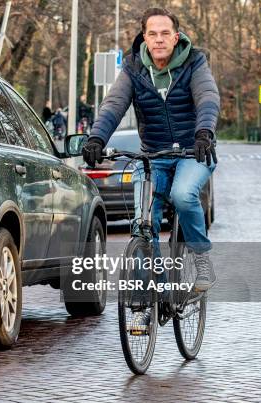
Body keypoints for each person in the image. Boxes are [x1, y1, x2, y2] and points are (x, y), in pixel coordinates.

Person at [82, 8, 220, 301]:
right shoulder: (133, 67)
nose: (159, 40)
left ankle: (201, 259)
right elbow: (114, 104)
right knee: (144, 218)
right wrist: (96, 137)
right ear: (144, 37)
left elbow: (207, 96)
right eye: (153, 34)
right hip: (152, 155)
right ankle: (150, 284)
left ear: (176, 37)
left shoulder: (195, 62)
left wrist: (204, 132)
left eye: (165, 34)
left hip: (192, 151)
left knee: (183, 195)